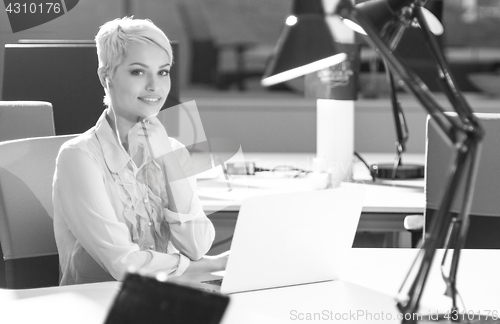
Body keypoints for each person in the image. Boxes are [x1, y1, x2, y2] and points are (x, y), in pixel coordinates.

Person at [52, 17, 227, 285]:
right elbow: (124, 265)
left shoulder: (175, 151)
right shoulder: (78, 157)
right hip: (98, 304)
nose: (154, 87)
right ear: (105, 77)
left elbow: (197, 246)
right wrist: (210, 265)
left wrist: (168, 161)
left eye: (163, 71)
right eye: (137, 71)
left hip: (164, 299)